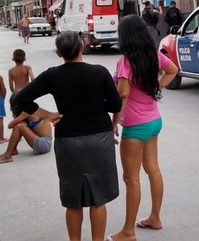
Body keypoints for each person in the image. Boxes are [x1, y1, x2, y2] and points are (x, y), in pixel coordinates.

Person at [13, 31, 121, 241]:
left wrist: (47, 114)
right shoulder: (99, 72)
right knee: (98, 199)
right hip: (99, 138)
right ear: (82, 48)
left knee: (73, 200)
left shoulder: (52, 75)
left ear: (58, 53)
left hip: (68, 141)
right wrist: (97, 107)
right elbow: (116, 105)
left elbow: (22, 98)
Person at [108, 15, 178, 241]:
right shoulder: (154, 56)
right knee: (153, 170)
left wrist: (113, 124)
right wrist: (157, 87)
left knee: (131, 179)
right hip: (154, 122)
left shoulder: (126, 62)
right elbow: (173, 70)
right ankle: (155, 218)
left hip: (136, 127)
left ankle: (128, 232)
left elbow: (123, 94)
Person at [0, 95, 52, 164]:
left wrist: (20, 122)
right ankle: (13, 150)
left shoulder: (27, 112)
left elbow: (10, 125)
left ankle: (7, 156)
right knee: (19, 125)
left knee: (18, 126)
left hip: (44, 144)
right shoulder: (32, 110)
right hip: (44, 143)